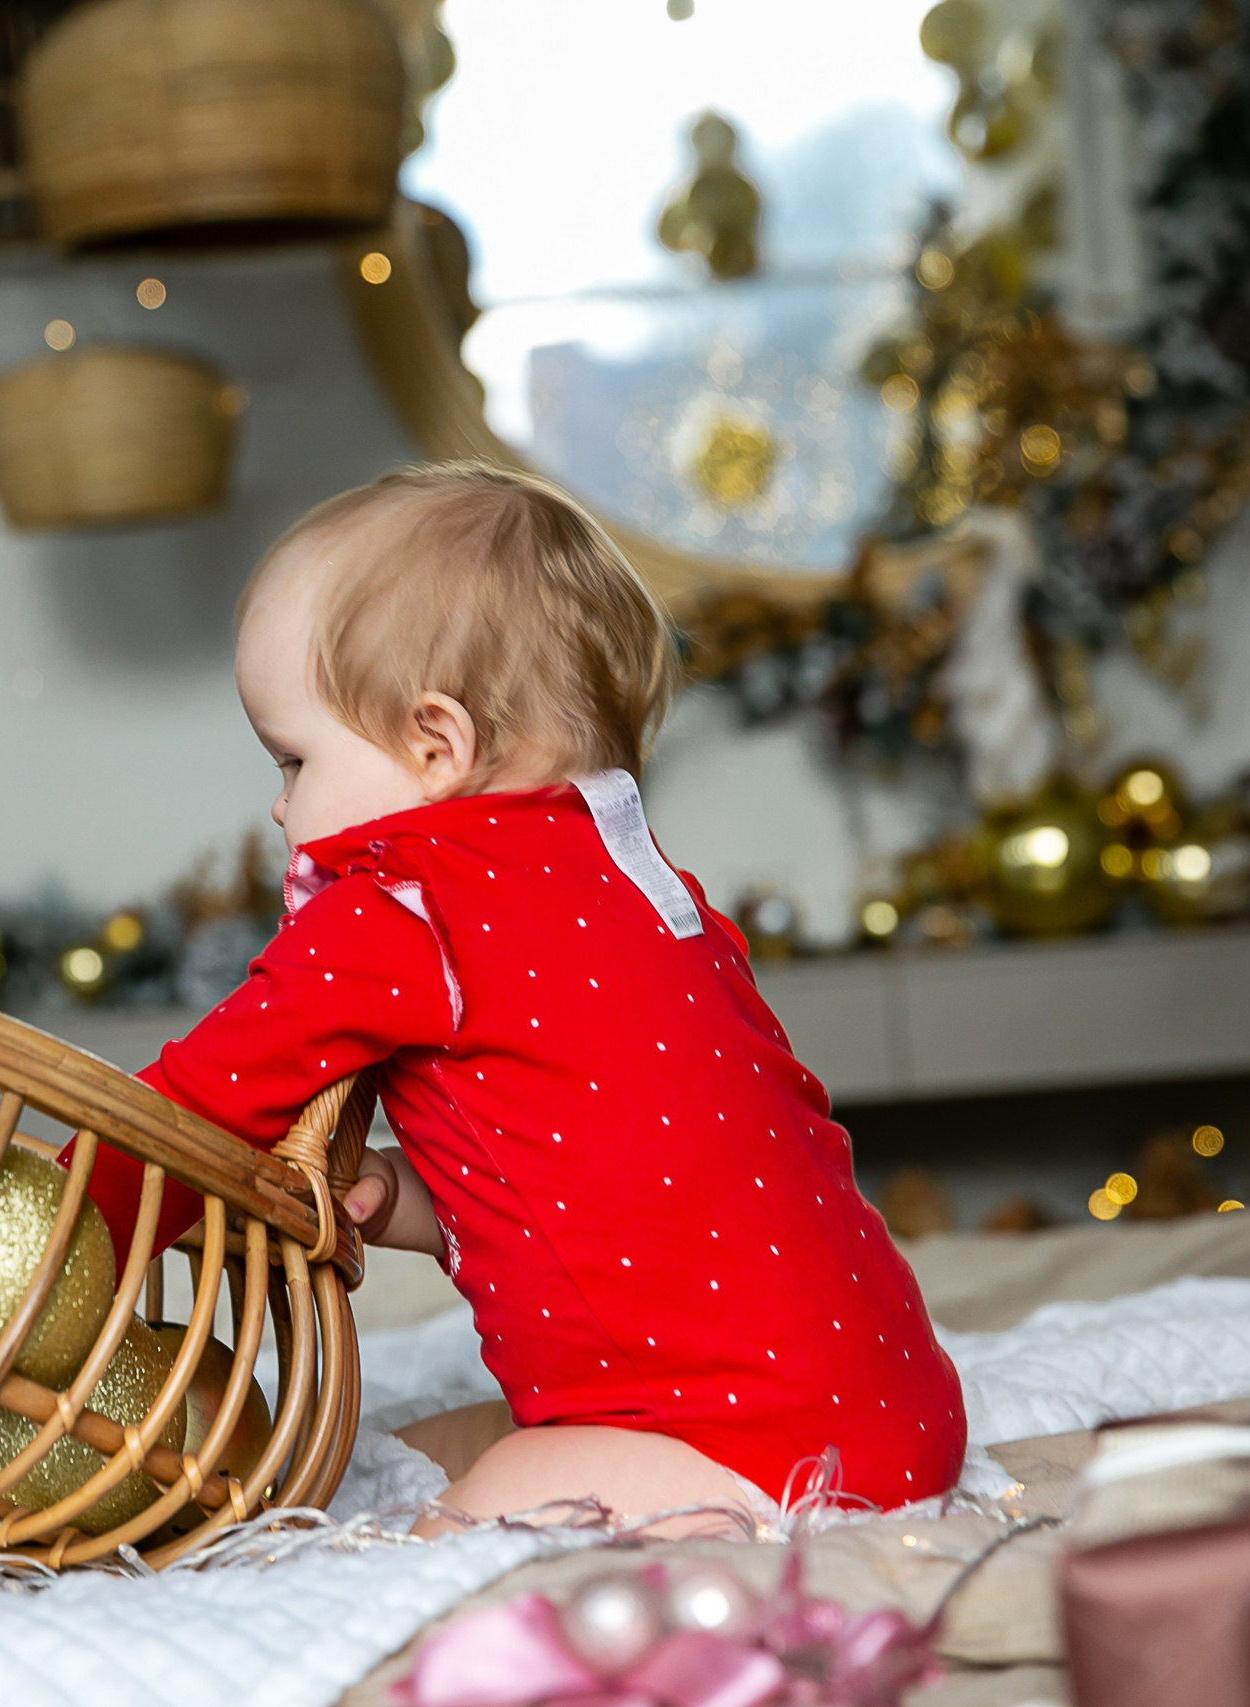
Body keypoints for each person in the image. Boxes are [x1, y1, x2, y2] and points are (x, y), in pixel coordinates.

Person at [81, 461, 966, 1532]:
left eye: (292, 760)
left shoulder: (403, 909)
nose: (278, 810)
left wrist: (48, 1245)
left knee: (460, 1511)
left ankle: (696, 1509)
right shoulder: (640, 888)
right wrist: (407, 1200)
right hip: (893, 1397)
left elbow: (187, 1116)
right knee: (432, 1441)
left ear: (435, 744)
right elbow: (610, 1177)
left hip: (753, 1439)